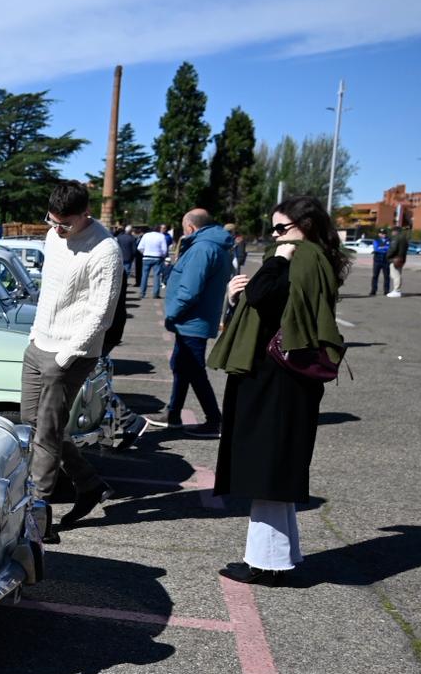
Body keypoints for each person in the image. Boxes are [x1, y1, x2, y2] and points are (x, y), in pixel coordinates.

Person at [209, 195, 347, 586]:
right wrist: (239, 294)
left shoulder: (300, 258)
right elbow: (271, 304)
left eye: (281, 228)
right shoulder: (314, 258)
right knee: (275, 471)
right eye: (273, 229)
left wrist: (275, 261)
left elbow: (262, 296)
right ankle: (280, 557)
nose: (274, 236)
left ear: (306, 226)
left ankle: (264, 564)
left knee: (266, 472)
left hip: (277, 378)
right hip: (285, 378)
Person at [22, 184, 121, 540]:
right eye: (52, 221)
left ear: (85, 214)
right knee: (31, 424)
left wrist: (65, 355)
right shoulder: (53, 237)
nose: (57, 229)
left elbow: (101, 314)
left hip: (71, 353)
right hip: (39, 343)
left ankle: (37, 517)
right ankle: (89, 484)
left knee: (47, 432)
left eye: (65, 224)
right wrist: (35, 335)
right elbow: (49, 291)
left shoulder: (105, 251)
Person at [148, 210, 234, 436]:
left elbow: (189, 290)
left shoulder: (202, 249)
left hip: (192, 320)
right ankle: (173, 414)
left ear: (190, 227)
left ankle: (214, 420)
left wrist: (172, 313)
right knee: (182, 366)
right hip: (196, 319)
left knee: (194, 370)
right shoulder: (215, 246)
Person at [137, 224, 169, 298]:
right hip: (157, 257)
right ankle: (156, 294)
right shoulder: (161, 236)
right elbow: (164, 249)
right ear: (158, 229)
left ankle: (142, 293)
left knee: (144, 275)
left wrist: (144, 253)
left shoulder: (146, 235)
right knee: (157, 275)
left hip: (146, 257)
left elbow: (139, 247)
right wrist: (162, 255)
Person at [388, 220, 410, 298]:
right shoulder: (404, 238)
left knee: (395, 275)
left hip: (395, 259)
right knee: (398, 274)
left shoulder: (396, 238)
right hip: (402, 258)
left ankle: (396, 290)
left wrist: (388, 256)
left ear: (395, 231)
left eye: (392, 231)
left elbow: (393, 249)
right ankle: (396, 290)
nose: (392, 233)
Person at [369, 227, 392, 296]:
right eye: (381, 233)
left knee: (386, 276)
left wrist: (382, 248)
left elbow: (389, 248)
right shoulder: (376, 240)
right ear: (379, 234)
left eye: (384, 233)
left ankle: (386, 290)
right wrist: (384, 248)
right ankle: (373, 290)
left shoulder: (389, 240)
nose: (383, 235)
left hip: (386, 260)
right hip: (377, 260)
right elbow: (376, 249)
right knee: (375, 276)